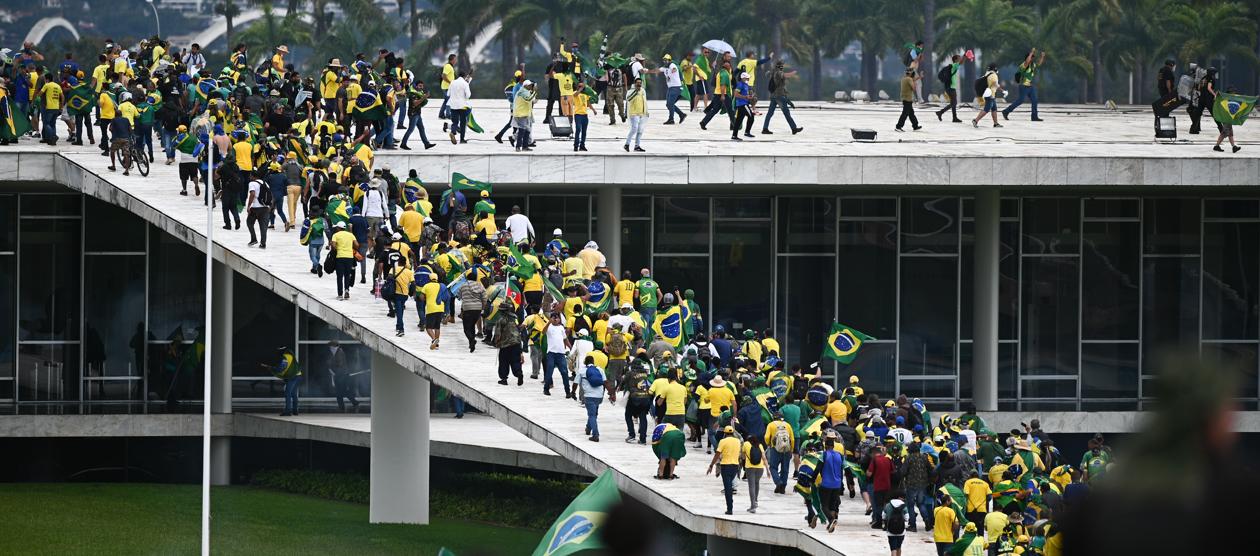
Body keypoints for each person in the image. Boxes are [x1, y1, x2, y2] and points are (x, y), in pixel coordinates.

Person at [1003, 48, 1046, 122]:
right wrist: (1031, 52)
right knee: (1020, 100)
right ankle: (1006, 111)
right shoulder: (1024, 65)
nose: (1032, 59)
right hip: (1023, 86)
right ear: (1028, 57)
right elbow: (1027, 61)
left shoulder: (1032, 65)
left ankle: (1034, 117)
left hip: (1030, 86)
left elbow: (1039, 63)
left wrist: (1042, 56)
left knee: (1034, 100)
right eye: (1031, 57)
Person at [707, 425, 742, 515]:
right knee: (729, 485)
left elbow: (717, 454)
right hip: (735, 466)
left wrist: (711, 465)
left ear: (725, 433)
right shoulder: (737, 441)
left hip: (725, 466)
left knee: (727, 488)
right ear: (733, 433)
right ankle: (730, 506)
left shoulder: (723, 441)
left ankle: (729, 509)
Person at [761, 60, 802, 135]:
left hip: (773, 96)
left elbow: (767, 74)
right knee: (786, 113)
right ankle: (794, 128)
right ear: (780, 66)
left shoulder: (773, 72)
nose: (783, 67)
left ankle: (765, 128)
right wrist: (793, 73)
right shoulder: (779, 72)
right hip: (779, 96)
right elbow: (785, 75)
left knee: (770, 113)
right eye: (782, 65)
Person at [818, 436, 845, 532]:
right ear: (833, 446)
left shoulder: (824, 455)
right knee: (833, 505)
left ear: (825, 446)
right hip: (837, 484)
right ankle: (831, 525)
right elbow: (844, 470)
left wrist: (811, 480)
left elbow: (818, 468)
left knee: (824, 506)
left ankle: (831, 520)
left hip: (826, 484)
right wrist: (844, 484)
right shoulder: (840, 456)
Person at [764, 411, 795, 494]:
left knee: (773, 467)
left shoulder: (771, 425)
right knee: (785, 469)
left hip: (775, 449)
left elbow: (767, 437)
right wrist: (791, 449)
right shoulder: (787, 425)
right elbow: (792, 439)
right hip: (787, 449)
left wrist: (769, 444)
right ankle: (783, 486)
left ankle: (778, 482)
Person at [266, 347, 302, 416]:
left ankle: (288, 411)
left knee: (287, 393)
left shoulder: (285, 357)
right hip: (298, 375)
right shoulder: (291, 356)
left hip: (292, 376)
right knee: (294, 393)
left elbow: (282, 368)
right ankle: (295, 410)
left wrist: (272, 368)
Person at [580, 355, 609, 442]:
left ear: (585, 362)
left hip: (589, 396)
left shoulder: (582, 371)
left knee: (592, 415)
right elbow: (605, 382)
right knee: (594, 413)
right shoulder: (600, 370)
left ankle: (595, 435)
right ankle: (588, 428)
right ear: (593, 362)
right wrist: (611, 394)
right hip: (599, 396)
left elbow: (575, 383)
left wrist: (572, 392)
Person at [543, 312, 572, 397]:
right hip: (551, 353)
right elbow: (543, 332)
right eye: (554, 318)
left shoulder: (561, 328)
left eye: (557, 318)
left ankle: (567, 391)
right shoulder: (549, 327)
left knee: (564, 372)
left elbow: (565, 339)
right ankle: (546, 389)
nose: (556, 319)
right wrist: (549, 322)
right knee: (549, 372)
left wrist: (570, 347)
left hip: (561, 353)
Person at [330, 222, 358, 300]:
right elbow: (357, 245)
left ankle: (340, 294)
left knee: (339, 276)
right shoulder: (350, 235)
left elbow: (334, 246)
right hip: (350, 257)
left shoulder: (335, 235)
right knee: (347, 275)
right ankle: (347, 290)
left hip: (340, 257)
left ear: (339, 228)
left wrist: (337, 247)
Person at [867, 444, 894, 529]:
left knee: (878, 505)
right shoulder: (888, 459)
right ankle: (887, 522)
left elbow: (869, 473)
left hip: (878, 486)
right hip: (887, 486)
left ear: (874, 453)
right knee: (887, 505)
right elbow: (893, 471)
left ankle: (879, 522)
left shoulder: (874, 460)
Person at [458, 273, 485, 352]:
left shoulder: (463, 285)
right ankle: (471, 344)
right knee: (472, 325)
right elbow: (484, 296)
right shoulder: (480, 285)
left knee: (466, 328)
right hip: (478, 309)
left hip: (467, 308)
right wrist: (483, 306)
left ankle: (472, 340)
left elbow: (459, 296)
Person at [418, 274, 445, 350]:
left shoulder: (427, 286)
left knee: (428, 327)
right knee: (437, 327)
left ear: (429, 279)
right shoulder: (441, 286)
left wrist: (426, 297)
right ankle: (436, 345)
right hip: (440, 308)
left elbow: (422, 297)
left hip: (431, 309)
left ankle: (434, 339)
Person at [971, 64, 1003, 129]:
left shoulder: (987, 74)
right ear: (995, 69)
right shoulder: (994, 75)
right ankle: (976, 120)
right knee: (987, 109)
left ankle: (996, 123)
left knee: (994, 109)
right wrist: (1003, 91)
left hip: (989, 94)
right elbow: (995, 84)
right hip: (990, 95)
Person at [245, 175, 272, 249]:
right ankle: (263, 244)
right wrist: (270, 206)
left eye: (250, 176)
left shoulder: (252, 183)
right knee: (263, 227)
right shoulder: (265, 183)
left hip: (255, 208)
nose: (250, 177)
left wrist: (249, 206)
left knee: (249, 223)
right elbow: (270, 195)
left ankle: (253, 239)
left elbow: (252, 194)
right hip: (265, 208)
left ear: (253, 176)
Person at [742, 434, 766, 513]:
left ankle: (752, 507)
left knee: (751, 486)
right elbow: (764, 457)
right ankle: (755, 501)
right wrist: (768, 471)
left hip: (750, 468)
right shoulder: (760, 445)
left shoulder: (746, 444)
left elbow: (743, 456)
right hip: (760, 468)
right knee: (757, 483)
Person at [1214, 87, 1243, 153]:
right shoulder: (1225, 98)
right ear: (1229, 93)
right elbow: (1217, 99)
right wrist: (1217, 94)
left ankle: (1217, 146)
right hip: (1225, 118)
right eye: (1233, 92)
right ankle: (1233, 147)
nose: (1234, 93)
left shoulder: (1232, 99)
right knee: (1227, 133)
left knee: (1226, 133)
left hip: (1228, 118)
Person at [446, 71, 472, 144]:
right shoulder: (465, 83)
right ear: (464, 77)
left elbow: (448, 94)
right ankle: (462, 139)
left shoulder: (452, 82)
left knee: (455, 122)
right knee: (463, 123)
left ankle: (453, 132)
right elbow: (468, 95)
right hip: (462, 105)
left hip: (453, 105)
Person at [511, 80, 537, 151]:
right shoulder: (522, 92)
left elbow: (531, 100)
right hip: (521, 114)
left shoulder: (526, 91)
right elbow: (528, 99)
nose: (531, 86)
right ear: (525, 85)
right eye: (530, 85)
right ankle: (518, 147)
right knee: (522, 130)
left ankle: (525, 146)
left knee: (527, 130)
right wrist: (534, 92)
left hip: (525, 114)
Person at [936, 55, 963, 122]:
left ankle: (954, 118)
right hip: (950, 87)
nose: (960, 59)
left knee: (953, 102)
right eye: (959, 58)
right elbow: (961, 62)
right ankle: (940, 112)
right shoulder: (954, 66)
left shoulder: (952, 66)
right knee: (954, 103)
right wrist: (965, 56)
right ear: (956, 60)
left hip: (950, 87)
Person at [661, 54, 686, 125]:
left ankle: (671, 119)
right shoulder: (666, 67)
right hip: (671, 87)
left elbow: (674, 69)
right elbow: (658, 70)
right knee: (669, 104)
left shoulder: (672, 65)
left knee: (670, 104)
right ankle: (681, 114)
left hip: (676, 87)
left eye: (666, 60)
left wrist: (672, 71)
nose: (665, 61)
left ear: (669, 60)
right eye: (664, 60)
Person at [623, 77, 647, 153]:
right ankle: (627, 144)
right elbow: (628, 99)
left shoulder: (643, 91)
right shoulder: (630, 91)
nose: (639, 84)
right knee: (634, 129)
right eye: (638, 83)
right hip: (634, 114)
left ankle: (637, 146)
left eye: (640, 83)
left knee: (640, 131)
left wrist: (646, 111)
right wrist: (635, 92)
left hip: (642, 114)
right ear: (635, 83)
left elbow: (644, 101)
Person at [730, 72, 755, 141]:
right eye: (747, 78)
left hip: (743, 104)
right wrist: (745, 97)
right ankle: (747, 132)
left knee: (738, 121)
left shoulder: (746, 85)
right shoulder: (740, 85)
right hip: (742, 104)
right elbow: (736, 94)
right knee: (751, 116)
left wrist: (750, 96)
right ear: (743, 78)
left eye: (748, 78)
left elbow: (747, 94)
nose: (748, 79)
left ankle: (734, 135)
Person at [884, 490, 908, 556]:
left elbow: (883, 516)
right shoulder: (904, 506)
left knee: (893, 548)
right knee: (899, 547)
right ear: (900, 497)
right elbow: (907, 517)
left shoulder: (888, 505)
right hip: (901, 530)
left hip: (890, 530)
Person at [572, 79, 592, 152]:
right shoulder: (575, 93)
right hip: (578, 115)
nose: (581, 87)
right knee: (578, 130)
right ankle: (576, 145)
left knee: (584, 131)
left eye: (582, 86)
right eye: (579, 86)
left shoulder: (585, 95)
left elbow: (588, 103)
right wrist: (580, 88)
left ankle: (582, 145)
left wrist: (593, 110)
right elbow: (575, 94)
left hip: (585, 114)